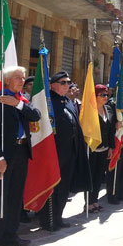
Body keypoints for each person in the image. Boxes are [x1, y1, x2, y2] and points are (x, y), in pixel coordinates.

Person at [0, 66, 40, 246]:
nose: (22, 81)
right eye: (17, 78)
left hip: (21, 152)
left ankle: (9, 234)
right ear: (6, 80)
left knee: (15, 197)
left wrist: (17, 104)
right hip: (2, 157)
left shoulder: (20, 100)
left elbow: (36, 115)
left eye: (23, 78)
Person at [38, 71, 91, 231]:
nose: (67, 85)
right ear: (53, 85)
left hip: (70, 151)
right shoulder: (48, 103)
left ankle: (58, 217)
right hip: (54, 152)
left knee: (63, 187)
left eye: (68, 82)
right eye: (63, 82)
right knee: (52, 186)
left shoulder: (67, 101)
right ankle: (48, 220)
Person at [87, 85, 115, 213]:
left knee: (99, 177)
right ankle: (88, 203)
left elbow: (110, 130)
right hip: (92, 149)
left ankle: (95, 201)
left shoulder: (108, 109)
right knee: (91, 176)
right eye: (102, 95)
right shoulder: (89, 111)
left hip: (104, 148)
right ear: (95, 96)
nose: (105, 97)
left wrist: (111, 147)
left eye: (106, 95)